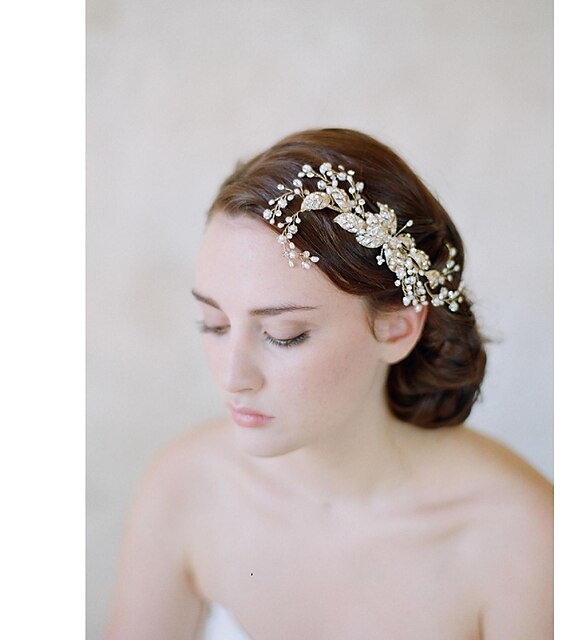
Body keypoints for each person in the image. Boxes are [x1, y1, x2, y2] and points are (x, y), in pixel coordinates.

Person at [107, 128, 553, 639]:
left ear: (398, 327)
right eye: (214, 325)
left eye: (284, 335)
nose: (233, 377)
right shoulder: (186, 487)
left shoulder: (522, 540)